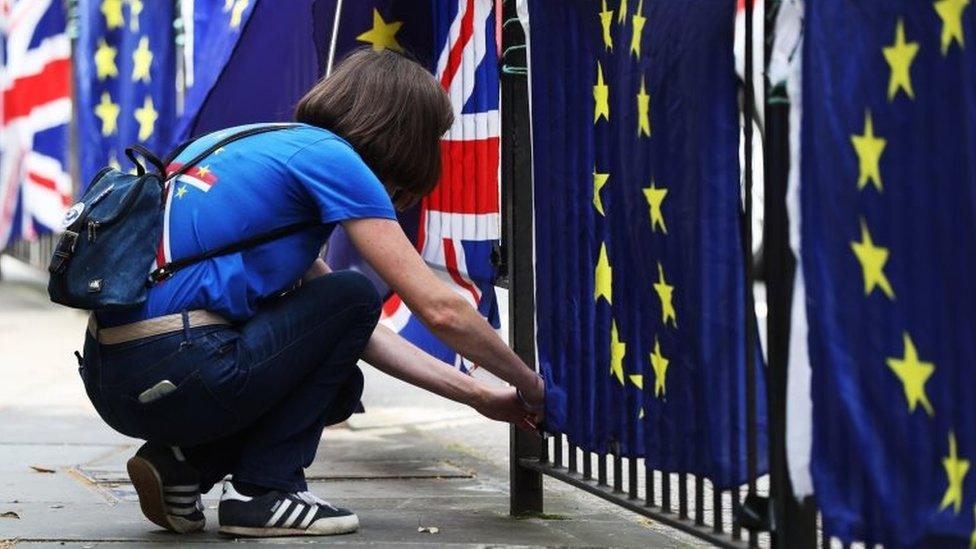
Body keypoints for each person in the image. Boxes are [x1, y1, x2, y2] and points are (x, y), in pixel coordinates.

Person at [79, 49, 545, 538]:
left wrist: (480, 396)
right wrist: (530, 384)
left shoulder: (243, 145)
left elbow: (353, 333)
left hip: (111, 376)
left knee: (342, 373)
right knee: (355, 293)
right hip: (179, 364)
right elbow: (439, 308)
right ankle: (263, 492)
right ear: (405, 135)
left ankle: (182, 465)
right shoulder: (333, 159)